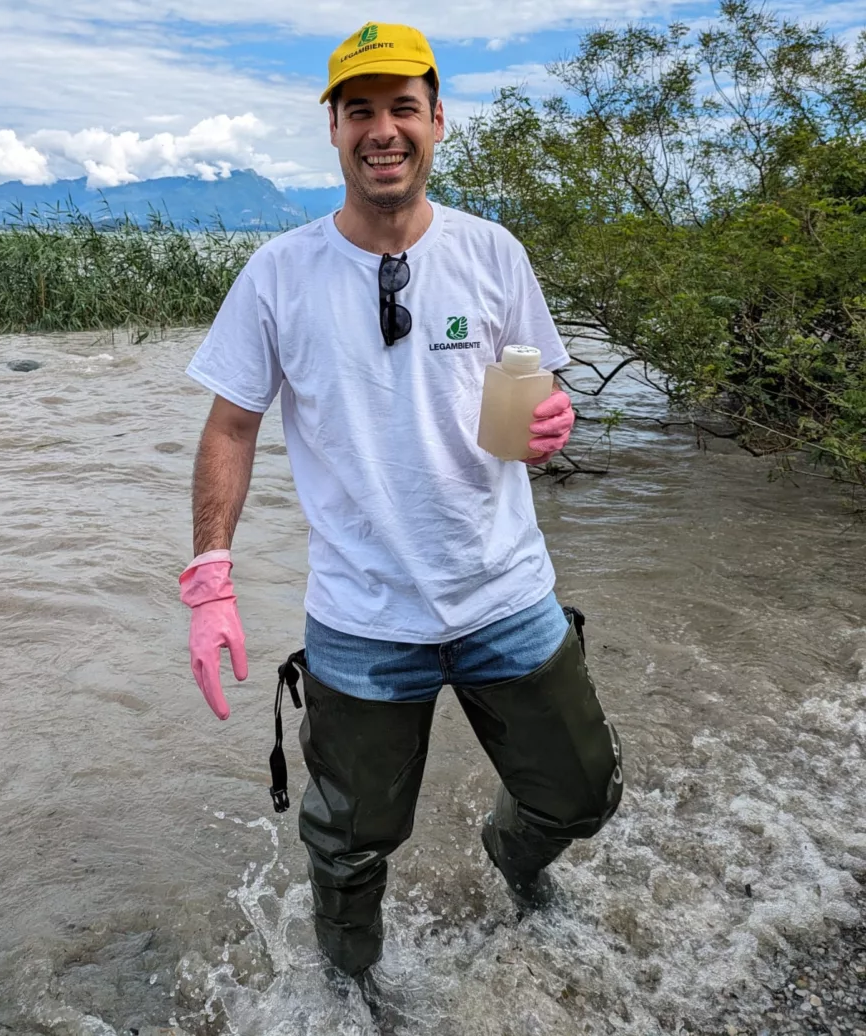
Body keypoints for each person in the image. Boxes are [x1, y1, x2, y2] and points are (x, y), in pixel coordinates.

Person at [178, 22, 623, 982]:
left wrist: (552, 422)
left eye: (403, 109)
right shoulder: (278, 274)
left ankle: (512, 856)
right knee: (347, 847)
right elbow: (232, 427)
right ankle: (353, 992)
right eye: (362, 111)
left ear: (438, 123)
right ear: (333, 128)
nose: (384, 131)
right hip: (363, 617)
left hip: (505, 590)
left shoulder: (492, 252)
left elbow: (537, 386)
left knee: (581, 793)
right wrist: (209, 574)